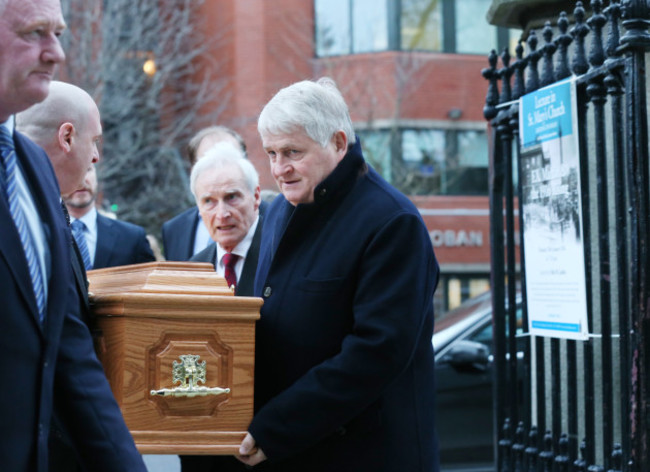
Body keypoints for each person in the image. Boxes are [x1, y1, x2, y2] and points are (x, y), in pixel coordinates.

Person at [236, 78, 440, 472]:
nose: (279, 169)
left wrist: (276, 427)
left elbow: (375, 353)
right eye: (272, 153)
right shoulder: (278, 212)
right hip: (294, 449)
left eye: (293, 152)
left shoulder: (393, 222)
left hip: (366, 456)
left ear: (339, 143)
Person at [0, 0, 146, 470]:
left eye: (59, 33)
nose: (56, 52)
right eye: (35, 32)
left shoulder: (32, 169)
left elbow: (67, 351)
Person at [16, 79, 104, 471]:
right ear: (67, 137)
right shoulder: (17, 217)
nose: (97, 156)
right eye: (95, 140)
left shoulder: (52, 212)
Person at [180, 141, 265, 472]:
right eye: (209, 202)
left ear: (256, 196)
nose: (222, 213)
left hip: (265, 446)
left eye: (232, 197)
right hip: (203, 448)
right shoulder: (191, 271)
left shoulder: (284, 258)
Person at [162, 125, 249, 261]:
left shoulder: (274, 220)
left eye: (230, 161)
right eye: (210, 164)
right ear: (194, 172)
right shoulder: (174, 230)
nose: (220, 172)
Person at [64, 164, 156, 269]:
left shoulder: (132, 238)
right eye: (71, 171)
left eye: (87, 170)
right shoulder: (45, 237)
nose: (82, 180)